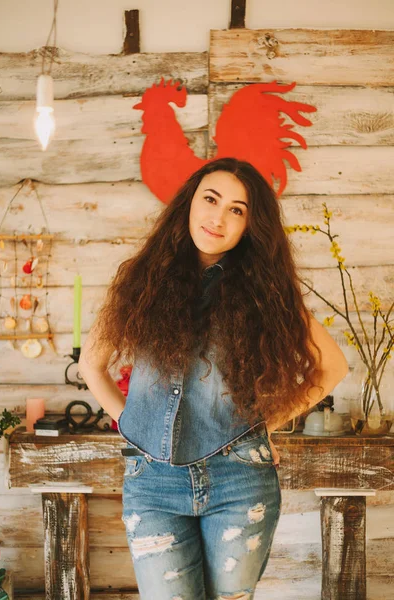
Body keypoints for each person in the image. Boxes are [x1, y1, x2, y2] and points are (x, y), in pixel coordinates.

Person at [78, 157, 349, 600]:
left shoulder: (268, 292)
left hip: (238, 479)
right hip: (153, 484)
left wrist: (267, 424)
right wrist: (136, 424)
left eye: (238, 210)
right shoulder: (141, 282)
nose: (219, 217)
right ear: (190, 202)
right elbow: (92, 364)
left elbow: (332, 367)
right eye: (211, 199)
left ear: (250, 225)